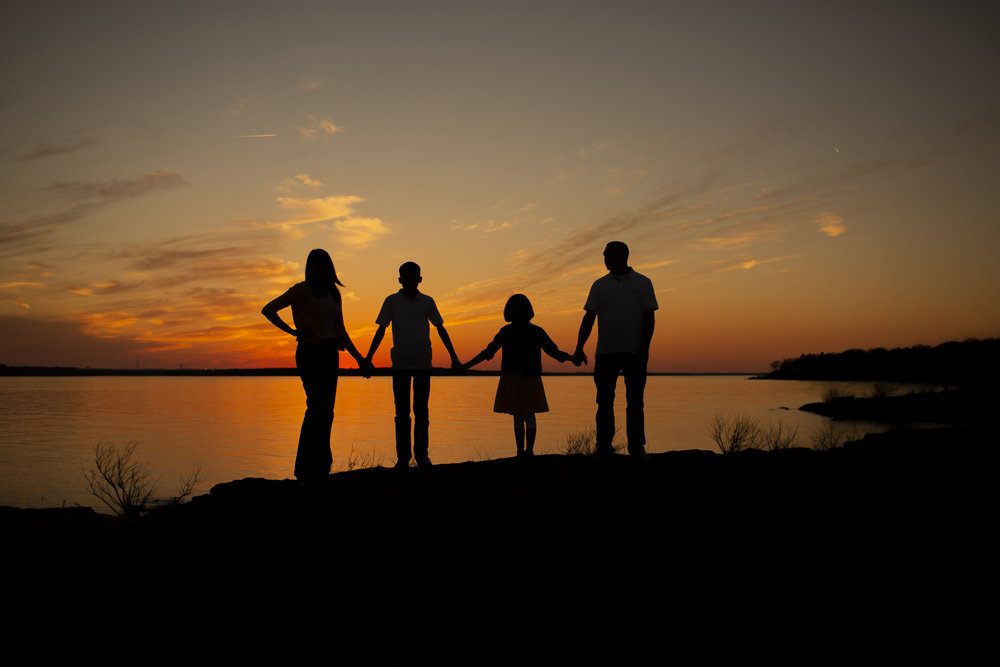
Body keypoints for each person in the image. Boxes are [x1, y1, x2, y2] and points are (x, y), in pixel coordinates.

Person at [262, 249, 372, 482]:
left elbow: (341, 330)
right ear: (312, 267)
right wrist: (292, 330)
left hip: (331, 353)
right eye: (319, 265)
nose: (323, 269)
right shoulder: (301, 290)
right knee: (315, 409)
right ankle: (305, 469)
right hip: (310, 353)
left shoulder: (334, 293)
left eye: (326, 264)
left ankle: (321, 466)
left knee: (327, 411)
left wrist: (360, 358)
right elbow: (269, 309)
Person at [366, 261, 461, 468]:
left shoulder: (427, 301)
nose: (409, 281)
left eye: (413, 277)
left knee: (421, 412)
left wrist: (453, 356)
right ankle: (402, 458)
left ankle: (422, 456)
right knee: (401, 413)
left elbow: (440, 328)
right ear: (400, 279)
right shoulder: (391, 301)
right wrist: (368, 358)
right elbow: (381, 330)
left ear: (419, 279)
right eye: (405, 277)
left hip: (422, 364)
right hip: (400, 364)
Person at [572, 241, 658, 457]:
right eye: (604, 255)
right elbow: (588, 318)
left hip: (635, 352)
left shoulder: (643, 283)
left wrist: (644, 348)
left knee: (636, 401)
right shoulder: (599, 285)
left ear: (623, 255)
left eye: (608, 254)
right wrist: (579, 347)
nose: (605, 258)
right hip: (605, 353)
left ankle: (636, 447)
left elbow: (649, 318)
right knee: (604, 401)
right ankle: (603, 446)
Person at [462, 294, 572, 458]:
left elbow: (553, 351)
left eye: (522, 306)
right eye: (515, 306)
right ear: (509, 311)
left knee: (529, 415)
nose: (519, 309)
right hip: (511, 376)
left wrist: (572, 358)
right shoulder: (505, 331)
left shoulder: (536, 331)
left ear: (528, 309)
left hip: (531, 376)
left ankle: (529, 451)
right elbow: (488, 352)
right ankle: (520, 451)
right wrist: (466, 366)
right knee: (518, 416)